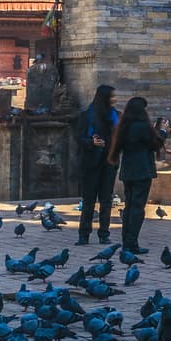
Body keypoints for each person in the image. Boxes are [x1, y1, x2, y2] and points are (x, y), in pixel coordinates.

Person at [107, 95, 162, 253]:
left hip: (128, 171)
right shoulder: (142, 126)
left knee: (130, 206)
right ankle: (132, 244)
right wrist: (162, 131)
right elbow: (155, 144)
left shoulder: (124, 126)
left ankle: (127, 242)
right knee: (137, 208)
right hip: (142, 171)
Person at [73, 85, 119, 246]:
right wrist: (91, 142)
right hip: (90, 163)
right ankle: (84, 234)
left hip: (109, 163)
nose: (114, 99)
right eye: (112, 96)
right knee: (89, 201)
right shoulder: (87, 116)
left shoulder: (116, 117)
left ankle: (104, 234)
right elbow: (78, 137)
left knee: (106, 200)